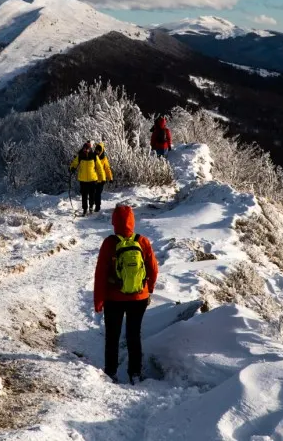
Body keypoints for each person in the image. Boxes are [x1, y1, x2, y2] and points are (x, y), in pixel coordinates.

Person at [93, 204, 159, 384]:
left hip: (113, 298)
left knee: (112, 336)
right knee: (134, 335)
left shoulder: (109, 243)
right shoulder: (142, 241)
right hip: (139, 297)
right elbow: (153, 269)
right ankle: (135, 373)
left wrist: (98, 300)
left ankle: (111, 372)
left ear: (114, 222)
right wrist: (149, 289)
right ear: (132, 221)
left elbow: (100, 274)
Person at [70, 141, 106, 216]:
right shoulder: (80, 156)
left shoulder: (94, 156)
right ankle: (85, 209)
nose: (86, 150)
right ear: (83, 148)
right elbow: (74, 163)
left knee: (92, 194)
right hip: (83, 179)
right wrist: (72, 168)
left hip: (92, 179)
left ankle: (91, 207)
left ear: (90, 149)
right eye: (85, 148)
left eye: (87, 149)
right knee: (84, 195)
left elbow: (100, 168)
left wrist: (103, 178)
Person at [92, 142, 113, 213]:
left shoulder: (104, 159)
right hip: (94, 178)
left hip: (102, 179)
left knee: (98, 193)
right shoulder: (93, 157)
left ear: (102, 151)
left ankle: (97, 207)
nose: (97, 151)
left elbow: (107, 168)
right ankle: (94, 203)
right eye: (96, 150)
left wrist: (110, 178)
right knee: (93, 193)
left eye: (99, 150)